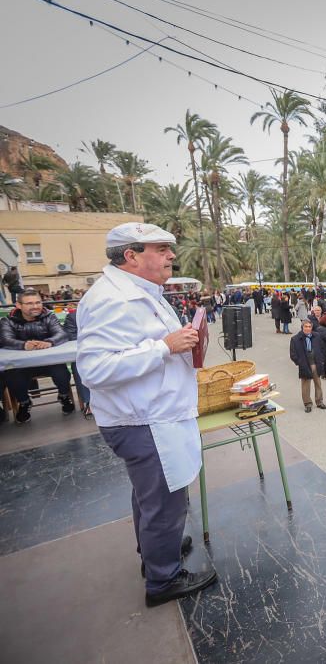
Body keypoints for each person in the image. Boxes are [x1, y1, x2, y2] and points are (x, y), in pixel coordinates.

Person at [76, 222, 217, 607]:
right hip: (144, 421)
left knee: (149, 497)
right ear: (131, 256)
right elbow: (94, 370)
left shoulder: (140, 292)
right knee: (164, 503)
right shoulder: (113, 300)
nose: (172, 255)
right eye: (161, 249)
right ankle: (163, 579)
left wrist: (183, 342)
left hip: (154, 416)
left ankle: (157, 550)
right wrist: (164, 347)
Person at [0, 289, 75, 422]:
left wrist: (49, 342)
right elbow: (5, 339)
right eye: (29, 303)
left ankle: (63, 396)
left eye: (38, 302)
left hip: (48, 362)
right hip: (21, 365)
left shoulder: (49, 316)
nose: (35, 306)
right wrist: (24, 345)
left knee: (62, 372)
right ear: (18, 305)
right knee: (11, 376)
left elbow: (62, 334)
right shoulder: (7, 320)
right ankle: (24, 402)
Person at [290, 320, 326, 413]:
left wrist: (321, 360)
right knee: (305, 385)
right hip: (305, 364)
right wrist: (300, 363)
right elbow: (293, 354)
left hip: (316, 363)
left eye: (309, 327)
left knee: (318, 383)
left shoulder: (317, 336)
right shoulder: (295, 339)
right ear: (302, 328)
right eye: (305, 327)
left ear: (311, 327)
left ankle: (319, 401)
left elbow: (322, 349)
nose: (307, 328)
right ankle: (307, 403)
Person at [62, 309, 92, 419]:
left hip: (110, 352)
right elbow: (70, 337)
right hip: (86, 353)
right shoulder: (74, 317)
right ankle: (89, 402)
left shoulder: (111, 313)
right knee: (78, 364)